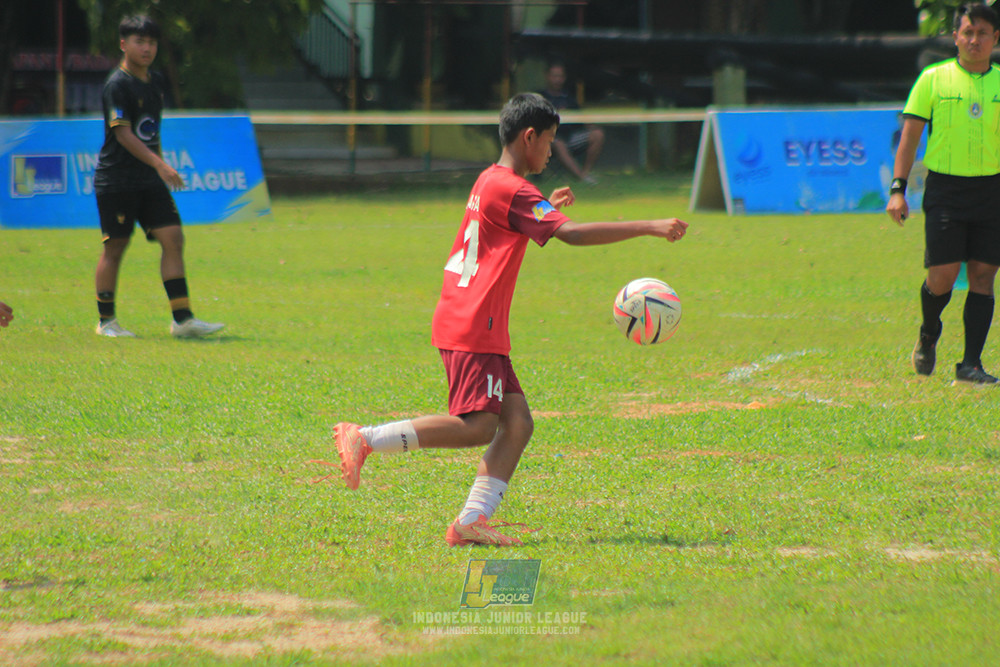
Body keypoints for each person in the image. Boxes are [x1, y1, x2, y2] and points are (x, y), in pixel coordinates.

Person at [325, 93, 688, 547]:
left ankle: (471, 521)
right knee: (477, 426)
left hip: (475, 320)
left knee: (517, 423)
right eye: (549, 141)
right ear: (528, 136)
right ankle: (365, 438)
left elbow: (512, 226)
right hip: (474, 323)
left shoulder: (493, 180)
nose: (551, 151)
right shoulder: (515, 190)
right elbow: (571, 235)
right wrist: (649, 226)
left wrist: (546, 207)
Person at [886, 3, 1000, 385]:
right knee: (943, 276)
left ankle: (971, 365)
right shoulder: (933, 79)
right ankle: (928, 332)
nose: (974, 40)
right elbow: (909, 138)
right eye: (967, 32)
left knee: (984, 275)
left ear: (995, 38)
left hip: (992, 189)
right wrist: (898, 189)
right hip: (947, 190)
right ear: (955, 37)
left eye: (982, 33)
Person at [93, 15, 223, 339]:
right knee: (116, 247)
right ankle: (106, 321)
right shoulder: (117, 85)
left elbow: (152, 131)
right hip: (117, 179)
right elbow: (123, 134)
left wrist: (158, 165)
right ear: (123, 44)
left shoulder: (156, 82)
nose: (147, 48)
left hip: (148, 179)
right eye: (140, 41)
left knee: (173, 238)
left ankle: (183, 320)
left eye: (151, 42)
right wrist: (161, 165)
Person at [538, 61, 605, 184]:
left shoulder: (569, 97)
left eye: (560, 76)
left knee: (598, 134)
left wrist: (590, 126)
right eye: (554, 76)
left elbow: (580, 118)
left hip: (570, 137)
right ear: (547, 76)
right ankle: (581, 178)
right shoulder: (539, 97)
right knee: (559, 144)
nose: (557, 80)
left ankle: (586, 172)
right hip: (548, 141)